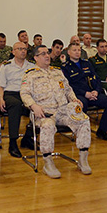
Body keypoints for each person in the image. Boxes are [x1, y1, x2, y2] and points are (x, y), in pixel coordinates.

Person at [20, 45, 92, 178]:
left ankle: (83, 159)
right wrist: (34, 106)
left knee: (84, 120)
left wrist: (74, 99)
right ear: (36, 58)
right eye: (43, 54)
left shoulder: (58, 72)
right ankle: (48, 162)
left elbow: (68, 89)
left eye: (47, 53)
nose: (47, 56)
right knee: (47, 125)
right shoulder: (30, 74)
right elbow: (24, 94)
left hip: (62, 112)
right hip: (44, 113)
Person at [62, 43, 107, 141]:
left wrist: (96, 91)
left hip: (92, 93)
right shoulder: (65, 67)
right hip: (78, 95)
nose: (77, 52)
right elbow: (69, 86)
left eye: (79, 50)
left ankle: (103, 130)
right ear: (68, 52)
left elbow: (96, 79)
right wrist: (85, 94)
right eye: (74, 50)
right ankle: (81, 132)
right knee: (82, 105)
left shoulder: (86, 63)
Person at [0, 42, 36, 158]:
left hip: (27, 94)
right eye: (19, 49)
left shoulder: (32, 66)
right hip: (11, 94)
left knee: (39, 106)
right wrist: (1, 98)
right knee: (16, 105)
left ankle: (28, 137)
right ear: (13, 52)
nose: (23, 51)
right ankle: (12, 143)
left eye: (24, 49)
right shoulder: (6, 66)